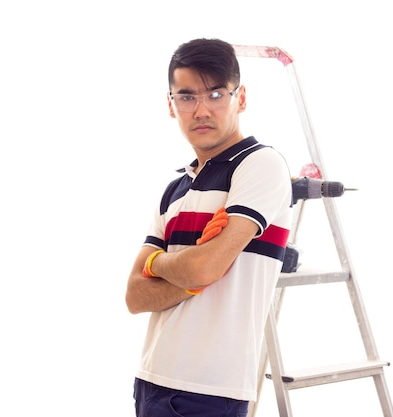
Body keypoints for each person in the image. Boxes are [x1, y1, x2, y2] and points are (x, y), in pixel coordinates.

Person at [125, 38, 293, 417]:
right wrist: (193, 263)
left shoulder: (259, 165)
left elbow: (204, 269)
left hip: (209, 391)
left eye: (216, 94)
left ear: (241, 98)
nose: (201, 109)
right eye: (186, 97)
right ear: (171, 105)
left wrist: (159, 263)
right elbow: (135, 296)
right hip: (151, 381)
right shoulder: (175, 189)